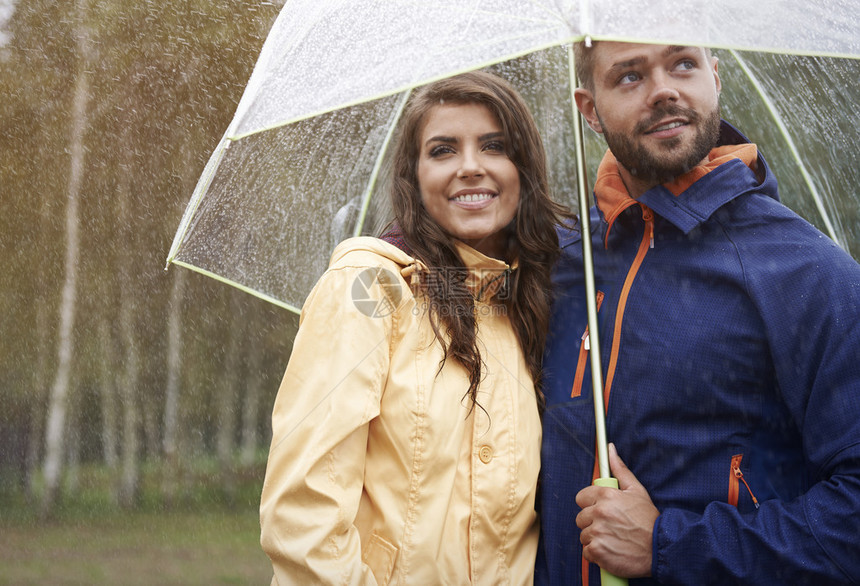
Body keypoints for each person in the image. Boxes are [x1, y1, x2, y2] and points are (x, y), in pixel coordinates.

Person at [535, 41, 860, 585]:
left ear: (715, 74)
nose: (664, 89)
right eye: (630, 76)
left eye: (682, 64)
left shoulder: (808, 273)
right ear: (589, 110)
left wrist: (671, 546)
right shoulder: (565, 263)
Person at [260, 71, 570, 584]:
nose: (470, 167)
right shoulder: (370, 288)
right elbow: (304, 513)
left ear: (524, 170)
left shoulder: (535, 303)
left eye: (494, 146)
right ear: (414, 175)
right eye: (443, 150)